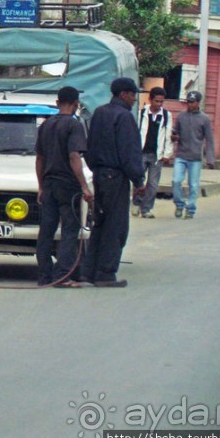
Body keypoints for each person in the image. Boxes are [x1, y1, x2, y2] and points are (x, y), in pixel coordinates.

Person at [80, 77, 146, 288]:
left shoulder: (99, 113)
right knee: (115, 226)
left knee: (99, 223)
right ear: (123, 94)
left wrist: (96, 170)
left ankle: (89, 271)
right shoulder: (124, 117)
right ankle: (105, 273)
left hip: (99, 175)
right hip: (116, 177)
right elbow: (129, 152)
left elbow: (90, 145)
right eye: (133, 95)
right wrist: (138, 180)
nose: (134, 99)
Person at [35, 86, 94, 288]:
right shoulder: (74, 125)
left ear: (57, 103)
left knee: (46, 230)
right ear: (76, 104)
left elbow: (39, 159)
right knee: (69, 230)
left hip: (49, 184)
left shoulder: (45, 125)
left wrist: (41, 186)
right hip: (68, 186)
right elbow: (74, 156)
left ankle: (44, 276)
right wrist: (84, 187)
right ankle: (62, 276)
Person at [171, 91, 215, 219]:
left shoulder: (204, 119)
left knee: (193, 185)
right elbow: (175, 132)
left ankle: (190, 209)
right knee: (176, 181)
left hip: (195, 157)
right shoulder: (181, 116)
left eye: (192, 102)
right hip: (181, 155)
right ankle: (179, 204)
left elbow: (209, 139)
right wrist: (174, 137)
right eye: (188, 102)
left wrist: (210, 158)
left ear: (198, 103)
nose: (189, 104)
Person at [131, 87, 173, 218]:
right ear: (150, 99)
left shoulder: (166, 115)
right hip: (142, 152)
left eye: (161, 101)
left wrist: (167, 154)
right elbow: (135, 133)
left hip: (157, 155)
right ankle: (136, 203)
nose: (159, 104)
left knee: (153, 184)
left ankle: (146, 209)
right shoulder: (142, 113)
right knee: (139, 180)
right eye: (157, 101)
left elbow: (168, 135)